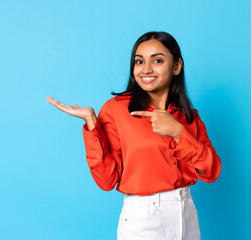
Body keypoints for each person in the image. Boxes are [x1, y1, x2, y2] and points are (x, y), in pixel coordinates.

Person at [46, 31, 221, 240]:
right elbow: (107, 180)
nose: (146, 69)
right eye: (139, 62)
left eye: (157, 60)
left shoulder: (188, 116)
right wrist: (92, 123)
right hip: (144, 219)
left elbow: (211, 172)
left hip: (187, 213)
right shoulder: (117, 110)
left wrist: (177, 132)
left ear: (177, 66)